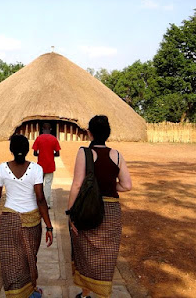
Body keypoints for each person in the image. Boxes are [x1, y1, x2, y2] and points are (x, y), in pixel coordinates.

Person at [67, 115, 132, 298]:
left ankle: (85, 294)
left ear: (89, 133)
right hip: (111, 212)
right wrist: (110, 187)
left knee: (85, 251)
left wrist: (70, 212)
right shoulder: (117, 155)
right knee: (107, 255)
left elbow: (77, 185)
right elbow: (127, 185)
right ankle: (103, 294)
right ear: (108, 134)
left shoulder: (85, 153)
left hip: (88, 209)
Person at [0, 134, 54, 298]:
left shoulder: (1, 169)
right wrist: (48, 226)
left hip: (9, 219)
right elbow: (40, 199)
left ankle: (15, 293)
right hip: (32, 221)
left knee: (11, 259)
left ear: (11, 150)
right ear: (27, 150)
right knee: (29, 257)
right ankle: (32, 290)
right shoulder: (36, 169)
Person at [32, 123, 61, 209]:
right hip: (50, 165)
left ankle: (38, 202)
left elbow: (34, 153)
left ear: (42, 129)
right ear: (51, 129)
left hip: (40, 165)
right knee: (48, 185)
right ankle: (47, 204)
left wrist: (41, 154)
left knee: (39, 185)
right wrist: (51, 154)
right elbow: (57, 153)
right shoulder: (54, 139)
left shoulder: (38, 138)